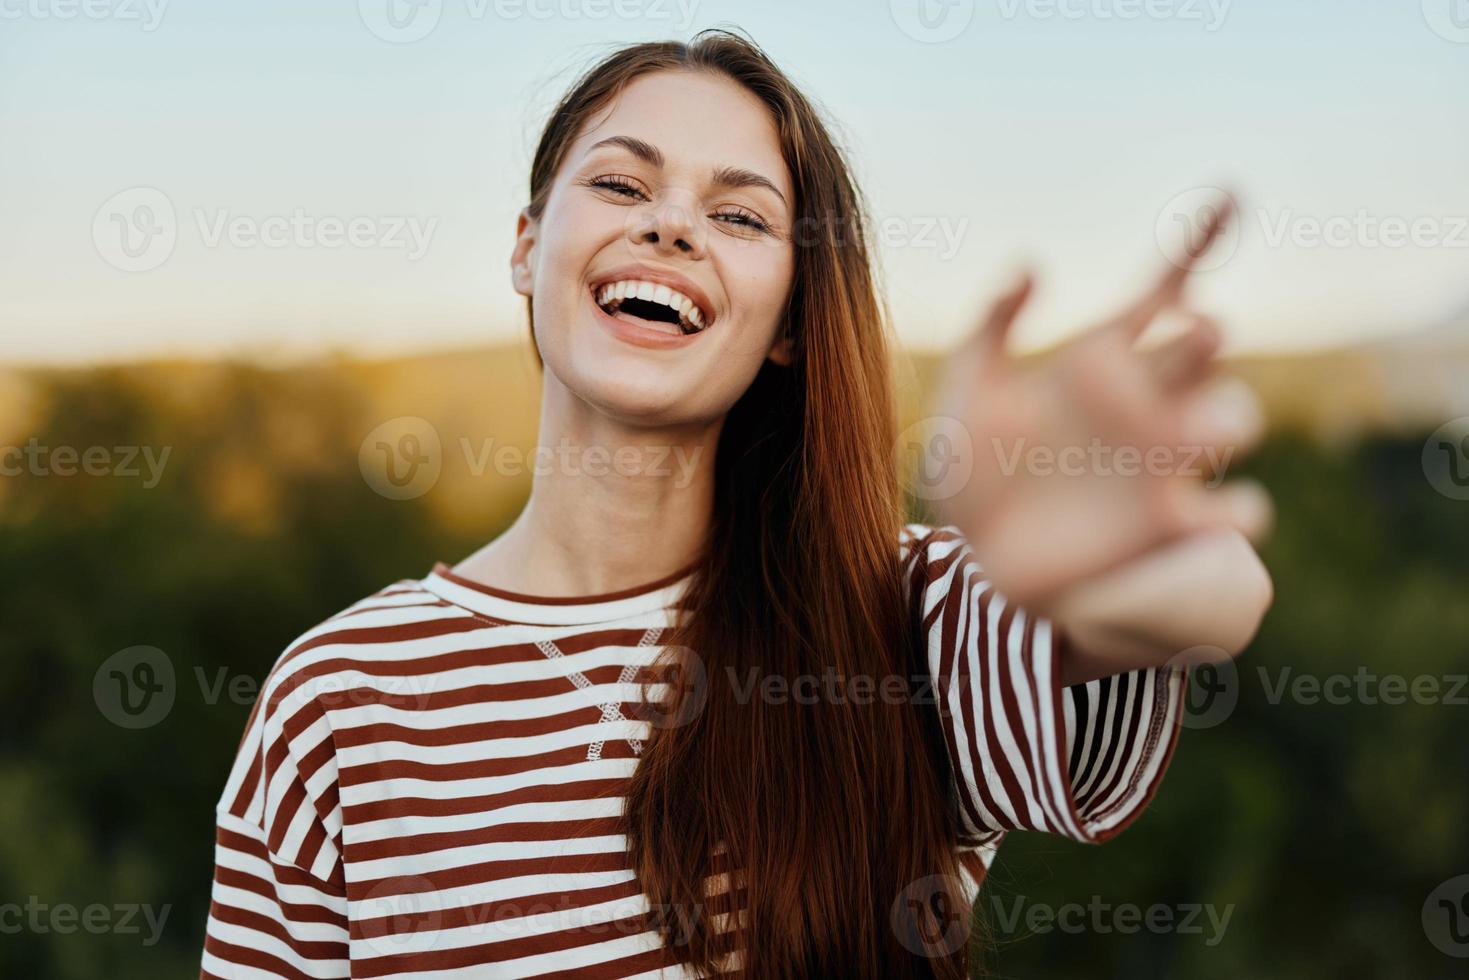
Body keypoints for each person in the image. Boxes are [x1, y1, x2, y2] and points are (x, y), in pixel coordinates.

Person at [199, 28, 1272, 980]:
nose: (671, 227)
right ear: (527, 248)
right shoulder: (336, 699)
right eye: (622, 187)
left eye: (738, 214)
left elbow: (1205, 599)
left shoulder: (891, 615)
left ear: (787, 326)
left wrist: (1118, 560)